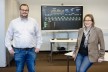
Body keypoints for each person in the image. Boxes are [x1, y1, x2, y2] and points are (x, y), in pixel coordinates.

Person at [5, 4, 42, 72]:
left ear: (28, 11)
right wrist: (10, 48)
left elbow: (39, 35)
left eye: (26, 10)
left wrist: (38, 47)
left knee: (32, 70)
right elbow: (8, 37)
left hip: (31, 51)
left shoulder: (33, 22)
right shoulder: (13, 22)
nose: (24, 11)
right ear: (20, 11)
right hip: (18, 51)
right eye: (23, 10)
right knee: (19, 70)